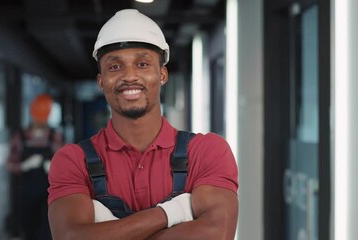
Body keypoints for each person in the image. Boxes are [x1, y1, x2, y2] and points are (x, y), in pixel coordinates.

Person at [48, 9, 238, 239]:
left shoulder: (207, 151)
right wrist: (171, 213)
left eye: (142, 64)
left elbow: (216, 233)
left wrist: (106, 230)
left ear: (162, 74)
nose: (129, 76)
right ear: (101, 81)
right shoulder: (72, 161)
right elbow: (71, 237)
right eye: (115, 66)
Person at [6, 93, 63, 240]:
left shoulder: (54, 137)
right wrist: (24, 165)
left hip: (48, 194)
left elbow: (66, 166)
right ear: (32, 113)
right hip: (26, 193)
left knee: (46, 231)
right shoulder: (20, 137)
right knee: (28, 230)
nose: (40, 119)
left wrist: (54, 167)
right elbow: (10, 164)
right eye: (39, 114)